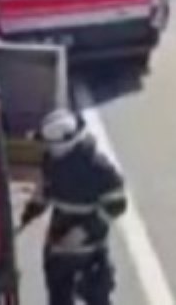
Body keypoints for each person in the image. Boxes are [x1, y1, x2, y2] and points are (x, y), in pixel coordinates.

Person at [19, 109, 129, 305]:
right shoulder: (52, 161)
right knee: (59, 292)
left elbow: (117, 204)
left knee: (95, 292)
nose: (46, 146)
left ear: (62, 144)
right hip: (60, 241)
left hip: (90, 245)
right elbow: (46, 189)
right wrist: (32, 210)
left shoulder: (98, 168)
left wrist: (85, 231)